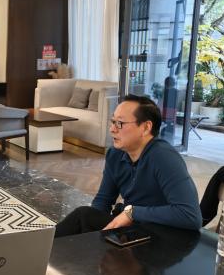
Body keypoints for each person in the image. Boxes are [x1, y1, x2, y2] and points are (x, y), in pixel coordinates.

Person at [55, 94, 202, 237]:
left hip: (163, 236)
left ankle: (45, 249)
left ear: (146, 127)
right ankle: (46, 247)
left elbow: (190, 215)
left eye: (120, 123)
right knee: (84, 218)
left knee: (82, 215)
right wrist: (92, 231)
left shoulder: (164, 157)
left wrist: (132, 212)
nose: (112, 129)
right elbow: (103, 200)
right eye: (112, 122)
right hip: (133, 230)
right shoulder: (115, 154)